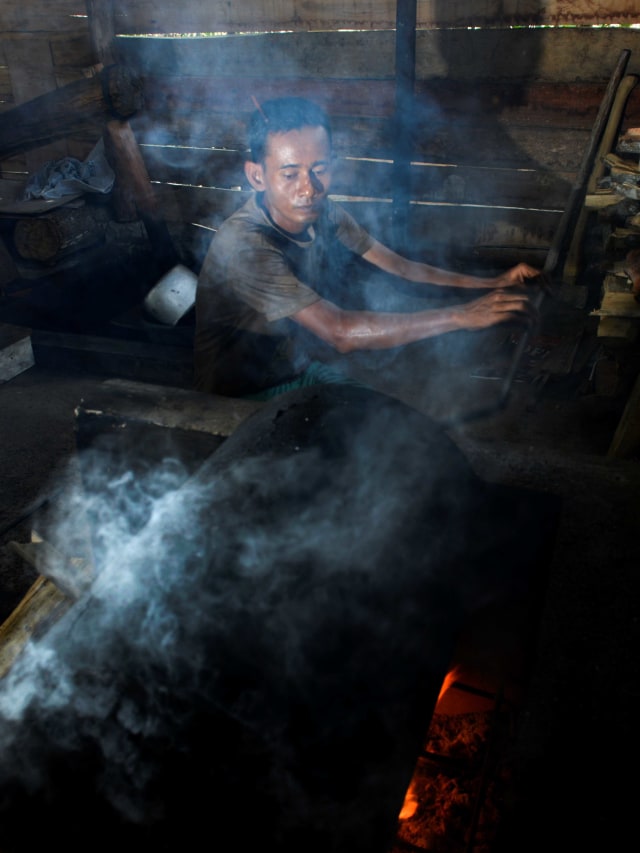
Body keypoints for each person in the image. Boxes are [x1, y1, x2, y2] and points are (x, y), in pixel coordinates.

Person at [194, 96, 544, 401]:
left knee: (386, 417)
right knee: (373, 431)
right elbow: (341, 332)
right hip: (241, 397)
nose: (309, 189)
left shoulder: (324, 212)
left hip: (296, 370)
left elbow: (400, 267)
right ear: (257, 176)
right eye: (290, 175)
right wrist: (462, 316)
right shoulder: (246, 246)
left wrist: (492, 284)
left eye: (319, 169)